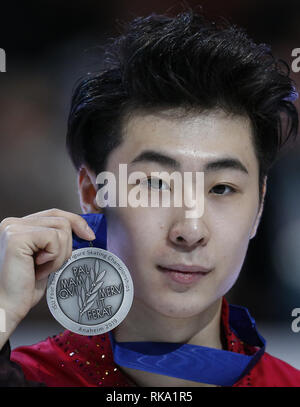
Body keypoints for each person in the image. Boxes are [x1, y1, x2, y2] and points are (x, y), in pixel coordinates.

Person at [0, 8, 300, 387]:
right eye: (156, 184)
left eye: (221, 188)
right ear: (93, 194)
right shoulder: (26, 378)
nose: (190, 230)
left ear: (258, 205)